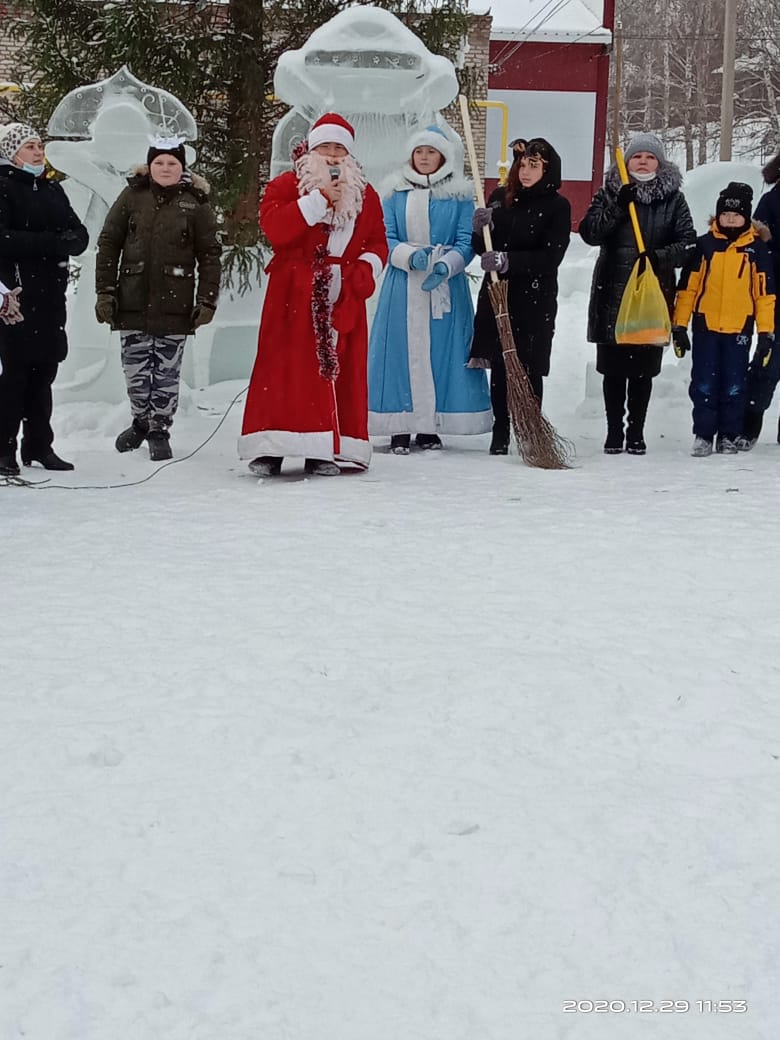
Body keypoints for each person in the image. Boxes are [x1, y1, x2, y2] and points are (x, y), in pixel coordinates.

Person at [239, 113, 388, 476]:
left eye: (340, 148)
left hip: (342, 292)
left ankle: (326, 448)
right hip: (293, 291)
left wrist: (365, 268)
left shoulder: (365, 194)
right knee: (284, 369)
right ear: (312, 149)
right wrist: (318, 200)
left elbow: (377, 241)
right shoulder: (287, 185)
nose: (333, 155)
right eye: (326, 147)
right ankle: (271, 446)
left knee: (336, 370)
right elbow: (275, 229)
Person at [95, 136, 221, 462]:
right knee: (135, 369)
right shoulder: (132, 197)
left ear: (182, 168)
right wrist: (105, 292)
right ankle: (140, 421)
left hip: (175, 303)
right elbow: (108, 243)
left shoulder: (195, 203)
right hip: (132, 299)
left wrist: (207, 300)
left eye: (172, 163)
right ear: (149, 166)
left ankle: (159, 429)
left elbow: (210, 255)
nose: (165, 168)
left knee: (166, 372)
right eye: (159, 162)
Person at [368, 125, 491, 453]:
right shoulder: (394, 192)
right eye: (419, 151)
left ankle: (430, 426)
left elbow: (466, 241)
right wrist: (409, 256)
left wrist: (446, 265)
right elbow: (385, 236)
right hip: (402, 286)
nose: (424, 157)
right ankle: (399, 425)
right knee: (398, 354)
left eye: (431, 152)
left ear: (443, 156)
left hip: (444, 288)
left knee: (442, 353)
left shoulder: (459, 195)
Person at [580, 132, 695, 455]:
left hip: (652, 295)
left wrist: (659, 257)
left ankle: (636, 432)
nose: (643, 162)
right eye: (637, 156)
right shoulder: (610, 193)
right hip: (613, 292)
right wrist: (618, 207)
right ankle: (614, 431)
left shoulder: (673, 200)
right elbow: (590, 233)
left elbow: (688, 244)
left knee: (643, 370)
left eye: (650, 157)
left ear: (660, 163)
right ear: (627, 162)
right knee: (613, 369)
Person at [469, 137, 570, 454]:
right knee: (501, 364)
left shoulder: (557, 206)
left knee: (529, 364)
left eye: (533, 165)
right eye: (522, 164)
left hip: (534, 298)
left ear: (547, 169)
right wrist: (480, 231)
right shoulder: (501, 198)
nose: (525, 171)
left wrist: (509, 260)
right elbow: (483, 248)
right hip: (499, 294)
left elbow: (551, 256)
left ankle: (530, 429)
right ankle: (500, 432)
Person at [0, 122, 88, 476]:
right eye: (29, 147)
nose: (38, 152)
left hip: (51, 296)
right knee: (14, 376)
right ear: (12, 154)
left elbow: (79, 235)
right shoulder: (4, 187)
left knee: (44, 373)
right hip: (15, 297)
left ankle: (39, 445)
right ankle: (4, 448)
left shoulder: (53, 190)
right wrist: (51, 243)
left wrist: (64, 241)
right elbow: (4, 239)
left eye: (39, 145)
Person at [671, 182, 775, 457]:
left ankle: (729, 433)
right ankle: (704, 434)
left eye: (736, 215)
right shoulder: (705, 246)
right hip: (706, 327)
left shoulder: (756, 250)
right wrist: (679, 326)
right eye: (725, 214)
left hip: (739, 329)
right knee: (704, 383)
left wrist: (766, 333)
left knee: (735, 385)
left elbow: (764, 296)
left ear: (746, 218)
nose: (730, 219)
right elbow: (688, 289)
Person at [740, 152, 780, 447]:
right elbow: (759, 251)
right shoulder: (772, 200)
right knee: (769, 362)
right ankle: (750, 422)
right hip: (775, 294)